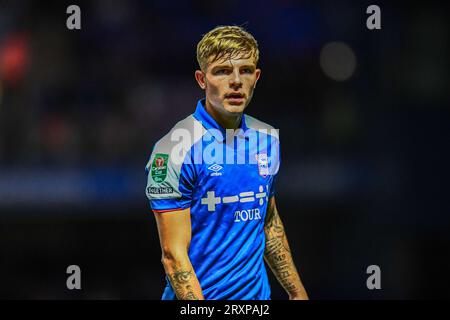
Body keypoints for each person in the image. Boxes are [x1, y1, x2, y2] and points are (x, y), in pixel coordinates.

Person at [145, 25, 308, 300]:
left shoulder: (267, 138)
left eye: (245, 70)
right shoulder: (174, 149)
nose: (236, 81)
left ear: (256, 77)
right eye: (222, 71)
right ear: (201, 79)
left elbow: (268, 222)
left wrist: (297, 294)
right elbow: (174, 256)